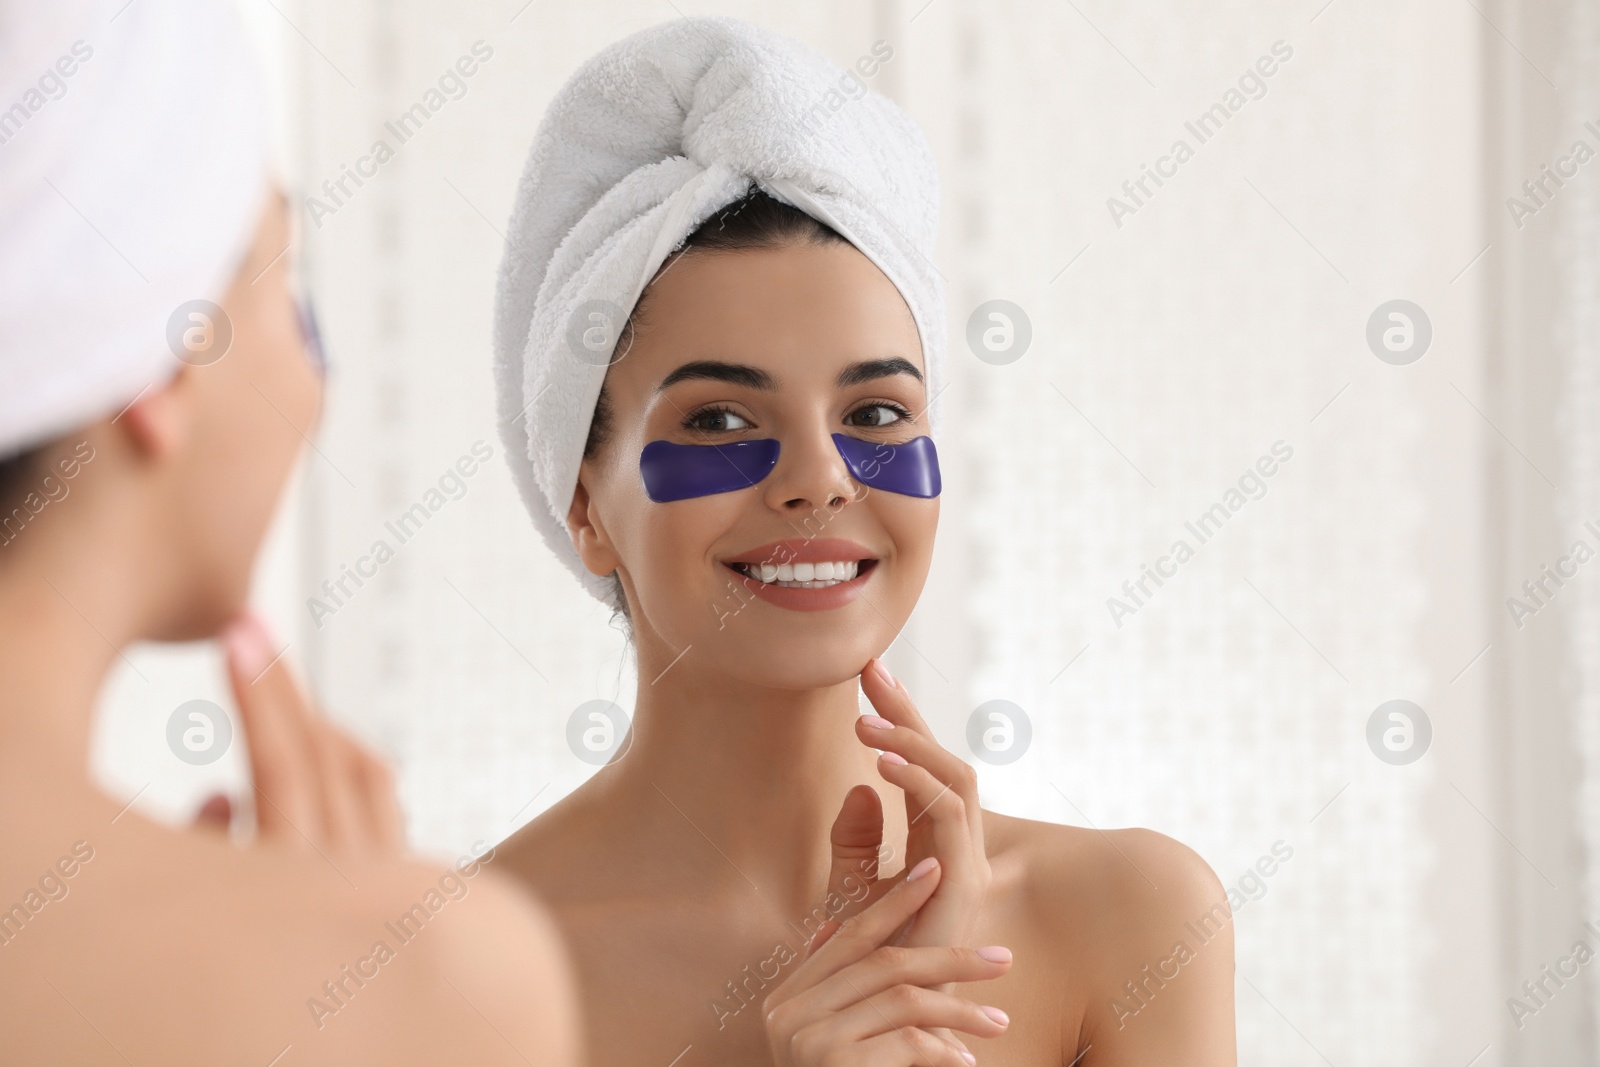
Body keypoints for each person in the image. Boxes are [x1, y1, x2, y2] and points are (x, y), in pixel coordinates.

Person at [491, 16, 1235, 1067]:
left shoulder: (1130, 921)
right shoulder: (462, 974)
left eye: (877, 413)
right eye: (718, 419)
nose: (819, 479)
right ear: (585, 508)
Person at [0, 2, 581, 1064]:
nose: (312, 381)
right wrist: (358, 978)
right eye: (288, 294)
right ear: (165, 362)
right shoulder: (438, 980)